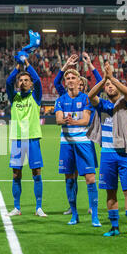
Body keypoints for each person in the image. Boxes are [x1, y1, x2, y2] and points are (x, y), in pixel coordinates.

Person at [87, 61, 127, 239]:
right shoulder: (102, 105)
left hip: (125, 152)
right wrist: (104, 79)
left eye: (111, 85)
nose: (109, 87)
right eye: (107, 85)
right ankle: (114, 227)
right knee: (110, 191)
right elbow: (90, 95)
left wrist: (112, 78)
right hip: (107, 153)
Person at [55, 53, 102, 216]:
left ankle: (92, 208)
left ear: (79, 81)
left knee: (89, 178)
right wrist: (66, 64)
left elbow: (85, 120)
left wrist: (90, 64)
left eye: (72, 77)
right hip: (66, 143)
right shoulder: (60, 99)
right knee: (69, 178)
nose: (69, 80)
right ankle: (72, 208)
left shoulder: (88, 98)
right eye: (67, 78)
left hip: (84, 142)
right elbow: (59, 119)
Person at [5, 52, 47, 217]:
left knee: (36, 172)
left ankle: (38, 207)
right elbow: (9, 81)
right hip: (17, 139)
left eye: (26, 80)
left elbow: (37, 80)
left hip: (32, 138)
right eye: (20, 80)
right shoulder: (14, 97)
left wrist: (26, 63)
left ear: (31, 84)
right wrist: (17, 65)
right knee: (16, 173)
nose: (23, 82)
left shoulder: (35, 97)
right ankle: (17, 207)